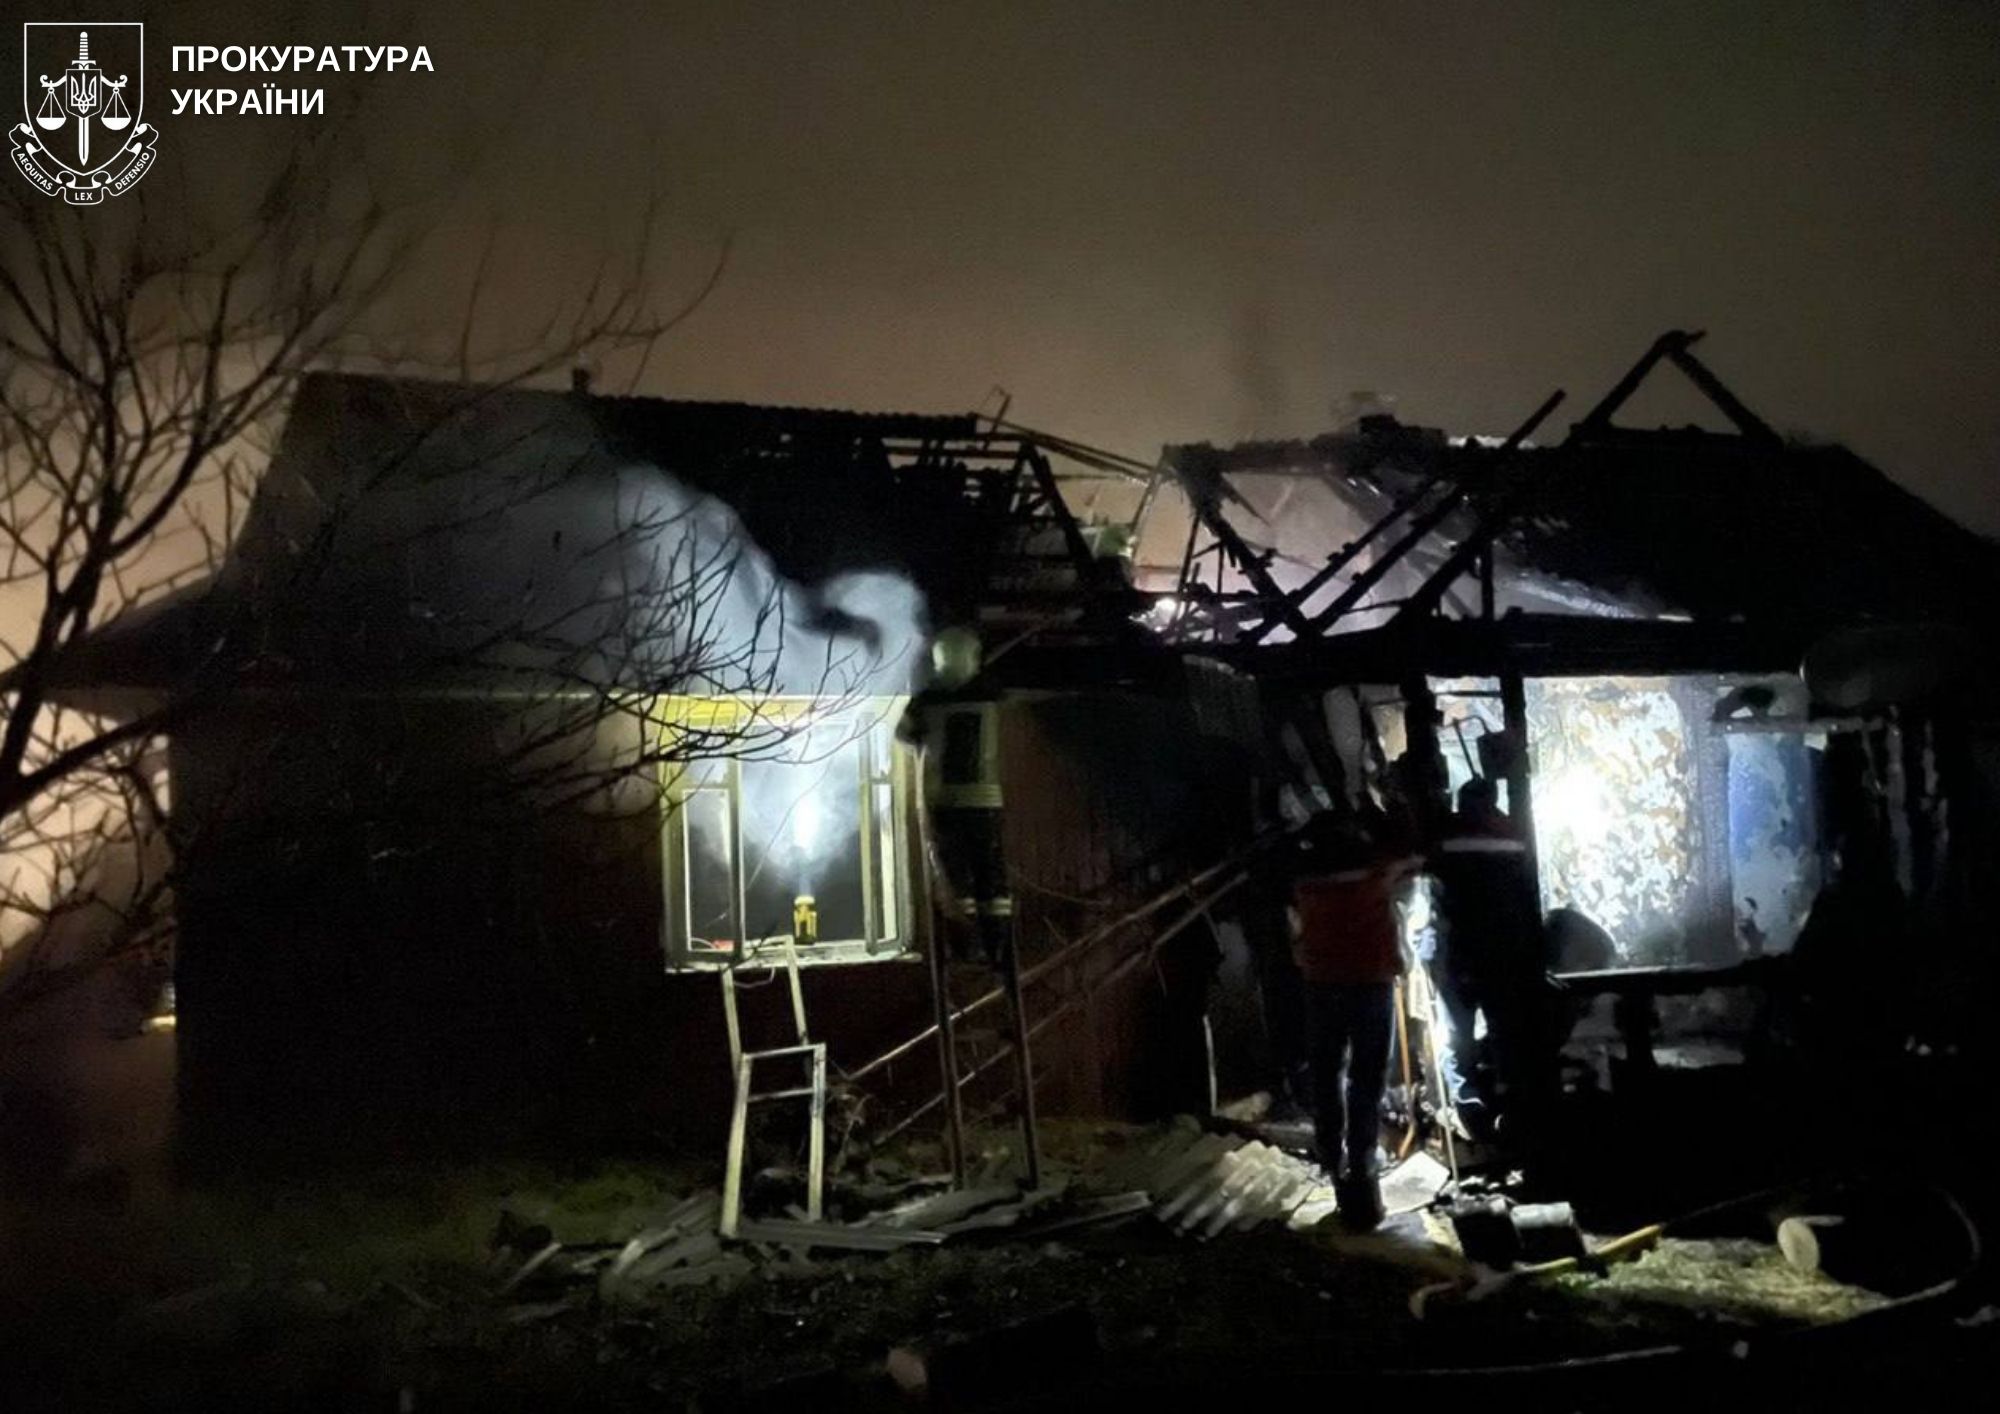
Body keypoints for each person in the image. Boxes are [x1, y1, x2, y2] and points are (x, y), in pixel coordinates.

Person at [1288, 810, 1419, 1228]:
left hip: (1321, 984)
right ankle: (1362, 1166)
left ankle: (1332, 1159)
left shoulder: (1305, 880)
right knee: (1367, 1078)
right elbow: (1413, 857)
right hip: (1370, 983)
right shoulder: (1377, 872)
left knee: (1327, 1074)